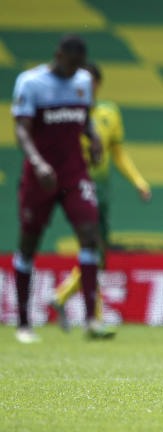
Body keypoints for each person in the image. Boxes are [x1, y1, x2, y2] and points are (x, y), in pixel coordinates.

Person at [10, 35, 111, 342]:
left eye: (79, 65)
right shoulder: (31, 83)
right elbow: (21, 130)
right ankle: (24, 323)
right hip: (41, 175)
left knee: (90, 237)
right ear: (58, 55)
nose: (74, 71)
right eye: (70, 64)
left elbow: (84, 120)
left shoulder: (82, 81)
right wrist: (38, 163)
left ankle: (91, 321)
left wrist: (92, 139)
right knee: (29, 243)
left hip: (74, 173)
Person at [49, 62, 152, 333]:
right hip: (76, 188)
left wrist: (138, 181)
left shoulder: (108, 112)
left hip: (102, 190)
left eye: (90, 82)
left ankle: (69, 300)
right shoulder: (65, 112)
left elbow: (118, 152)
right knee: (94, 251)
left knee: (98, 254)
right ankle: (86, 313)